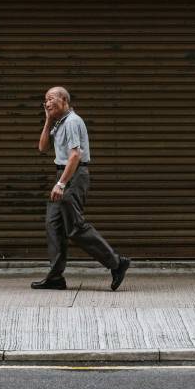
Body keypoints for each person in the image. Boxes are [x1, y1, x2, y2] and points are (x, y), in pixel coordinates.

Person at [31, 86, 130, 291]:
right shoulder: (59, 122)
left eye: (51, 99)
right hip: (64, 173)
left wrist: (61, 184)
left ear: (64, 100)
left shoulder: (73, 121)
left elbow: (75, 156)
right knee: (54, 225)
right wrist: (48, 120)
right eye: (45, 101)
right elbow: (42, 147)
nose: (47, 103)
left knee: (74, 227)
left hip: (73, 175)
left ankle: (117, 263)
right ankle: (55, 277)